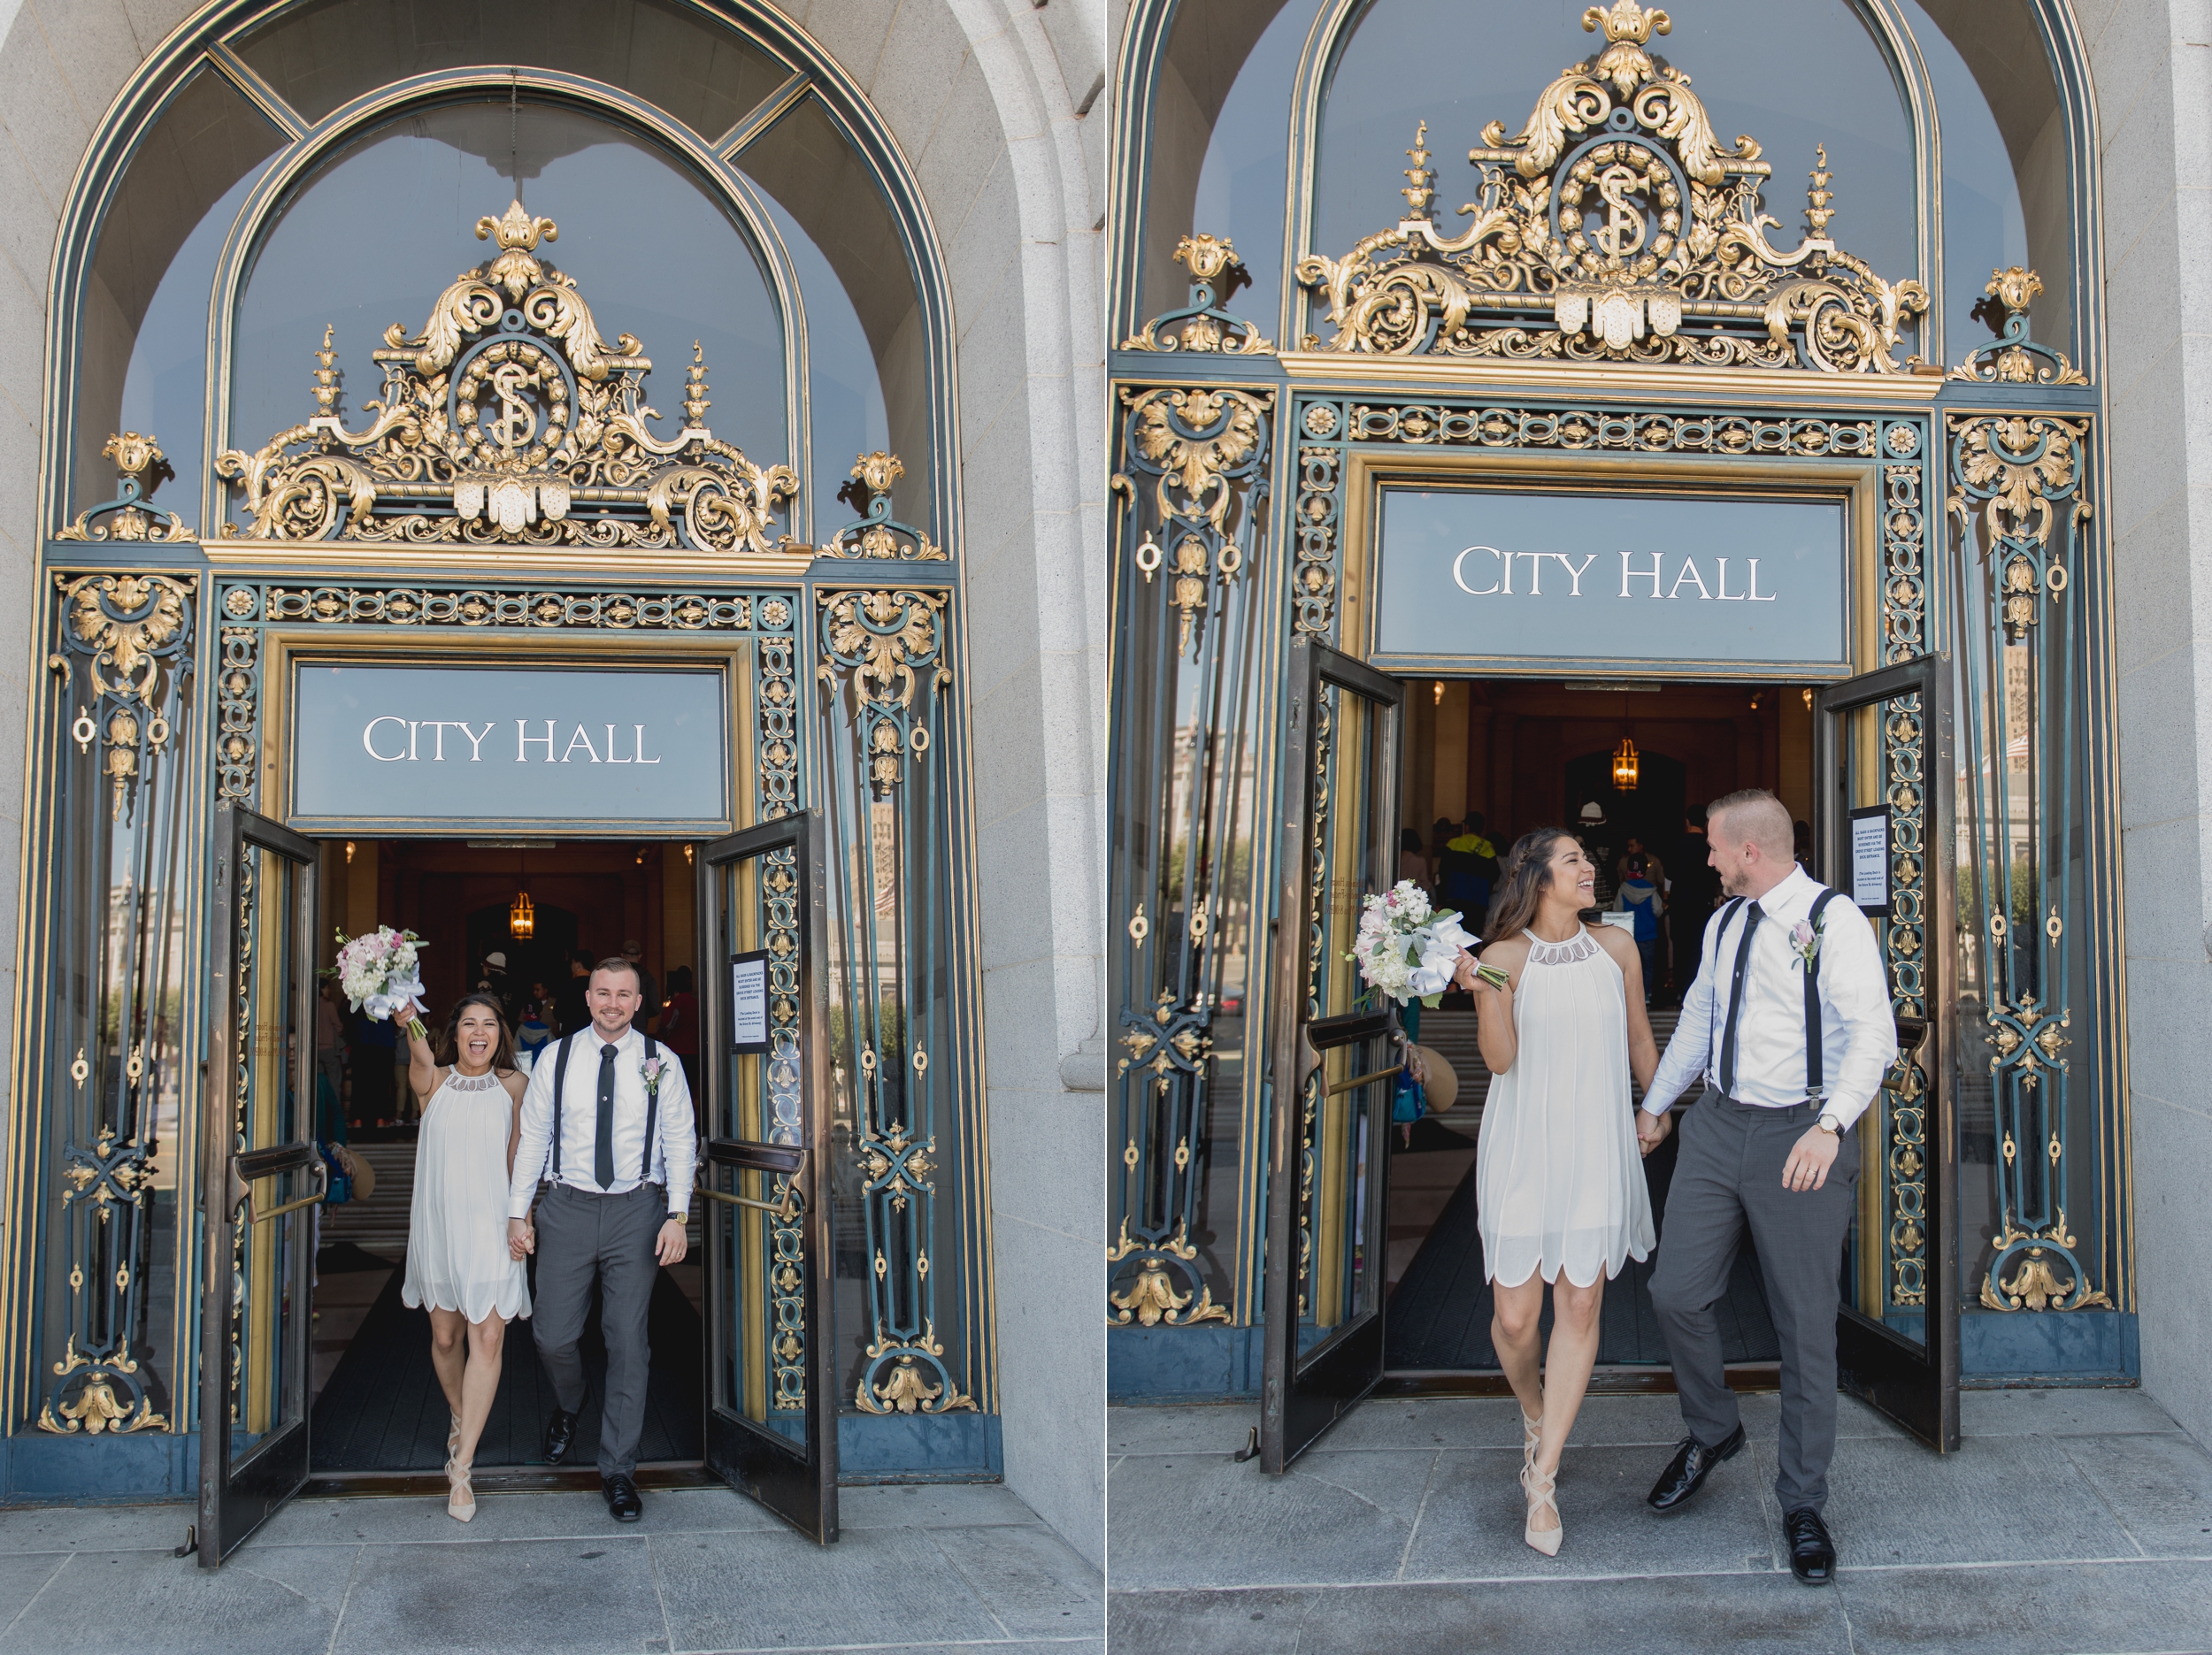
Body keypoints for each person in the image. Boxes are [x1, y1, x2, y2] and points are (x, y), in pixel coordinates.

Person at [1633, 789, 1895, 1589]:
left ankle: (1804, 1501)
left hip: (1800, 1133)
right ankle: (1713, 1430)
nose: (1705, 857)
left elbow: (1874, 1034)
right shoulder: (1723, 921)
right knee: (1676, 1291)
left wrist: (1832, 1124)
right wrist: (1656, 1105)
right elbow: (1699, 1018)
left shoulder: (1835, 919)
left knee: (1804, 1325)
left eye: (1713, 846)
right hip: (1717, 1123)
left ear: (1750, 849)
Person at [1448, 828, 1660, 1556]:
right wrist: (1483, 997)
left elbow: (1638, 1036)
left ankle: (1545, 1475)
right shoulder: (1502, 958)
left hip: (1597, 1145)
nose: (1589, 867)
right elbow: (1501, 1059)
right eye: (1574, 859)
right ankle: (1534, 1408)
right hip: (1523, 1149)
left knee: (1580, 1300)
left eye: (1586, 858)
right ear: (1537, 876)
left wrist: (1655, 1104)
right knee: (1514, 1319)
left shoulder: (1617, 948)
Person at [507, 958, 697, 1524]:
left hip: (638, 1210)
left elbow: (681, 1139)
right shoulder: (556, 1058)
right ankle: (571, 1403)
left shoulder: (664, 1063)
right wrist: (521, 1213)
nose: (613, 1003)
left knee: (627, 1340)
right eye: (603, 993)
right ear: (588, 1000)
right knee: (552, 1335)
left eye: (624, 994)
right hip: (566, 1207)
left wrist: (678, 1215)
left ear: (640, 1002)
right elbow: (535, 1136)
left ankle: (618, 1468)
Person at [397, 993, 531, 1523]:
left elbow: (521, 1156)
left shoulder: (516, 1086)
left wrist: (524, 1217)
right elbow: (420, 1059)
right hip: (441, 1228)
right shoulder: (433, 1082)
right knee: (446, 1338)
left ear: (501, 1034)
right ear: (452, 1034)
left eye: (489, 1025)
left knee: (489, 1336)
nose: (479, 1033)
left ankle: (463, 1468)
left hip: (493, 1228)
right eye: (469, 1024)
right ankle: (461, 1414)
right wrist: (409, 1021)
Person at [1610, 854, 1664, 1006]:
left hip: (1628, 936)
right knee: (1647, 966)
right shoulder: (1651, 890)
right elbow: (1658, 910)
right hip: (1648, 935)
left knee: (1629, 967)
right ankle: (1646, 994)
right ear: (1645, 870)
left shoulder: (1623, 889)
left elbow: (1617, 910)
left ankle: (1630, 995)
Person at [658, 965, 700, 1101]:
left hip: (676, 1050)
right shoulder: (700, 1001)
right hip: (694, 1050)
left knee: (675, 1091)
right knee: (691, 1091)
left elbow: (666, 1024)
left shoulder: (678, 1001)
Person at [553, 949, 592, 1038]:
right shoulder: (597, 985)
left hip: (571, 1035)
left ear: (578, 965)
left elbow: (558, 1014)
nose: (571, 966)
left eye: (572, 963)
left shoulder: (568, 985)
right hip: (592, 1035)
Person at [621, 939, 657, 1029]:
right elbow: (655, 1007)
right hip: (639, 1027)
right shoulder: (648, 978)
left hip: (618, 1025)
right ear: (640, 956)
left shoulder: (615, 976)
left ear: (622, 955)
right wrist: (642, 1014)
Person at [1396, 826, 1432, 893]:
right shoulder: (1420, 861)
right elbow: (1424, 883)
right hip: (1414, 896)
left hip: (1396, 896)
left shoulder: (1393, 861)